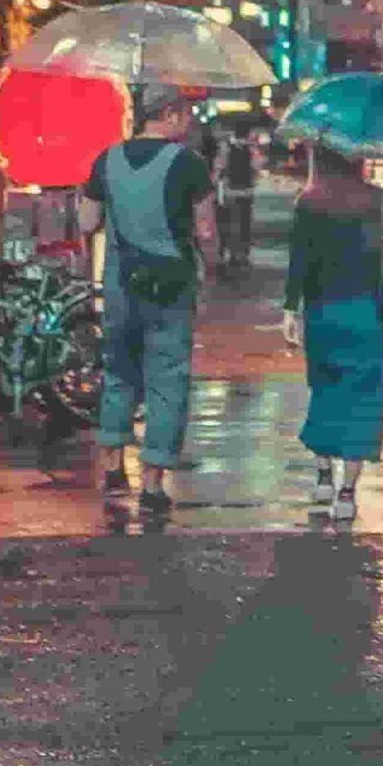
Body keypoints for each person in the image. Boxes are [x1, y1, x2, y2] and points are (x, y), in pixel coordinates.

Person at [80, 86, 216, 515]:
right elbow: (207, 231)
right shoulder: (190, 164)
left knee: (119, 371)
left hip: (122, 283)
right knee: (167, 377)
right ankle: (153, 482)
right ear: (171, 114)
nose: (190, 121)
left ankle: (112, 466)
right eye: (188, 113)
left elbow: (87, 220)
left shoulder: (107, 159)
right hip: (172, 286)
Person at [281, 146, 383, 522]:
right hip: (366, 312)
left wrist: (290, 310)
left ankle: (323, 476)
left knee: (326, 392)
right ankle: (347, 493)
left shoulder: (309, 202)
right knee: (364, 400)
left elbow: (299, 262)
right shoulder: (381, 201)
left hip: (322, 312)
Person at [217, 127, 258, 271]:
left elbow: (221, 166)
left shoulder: (226, 146)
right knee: (245, 223)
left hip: (230, 192)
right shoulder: (251, 148)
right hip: (246, 191)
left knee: (229, 222)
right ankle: (244, 255)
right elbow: (256, 166)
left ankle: (231, 254)